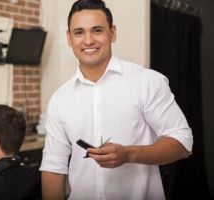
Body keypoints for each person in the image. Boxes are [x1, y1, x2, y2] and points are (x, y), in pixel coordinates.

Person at [39, 0, 193, 199]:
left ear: (112, 33)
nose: (88, 40)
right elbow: (53, 167)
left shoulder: (146, 82)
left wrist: (129, 154)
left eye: (97, 30)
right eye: (79, 32)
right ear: (69, 38)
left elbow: (183, 144)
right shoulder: (60, 99)